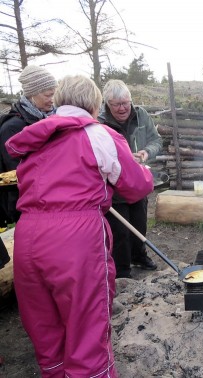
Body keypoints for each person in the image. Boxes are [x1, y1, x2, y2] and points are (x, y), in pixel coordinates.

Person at [6, 74, 154, 378]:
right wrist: (144, 171)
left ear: (59, 101)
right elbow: (136, 186)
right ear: (95, 103)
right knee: (87, 331)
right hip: (74, 240)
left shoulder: (35, 135)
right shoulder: (98, 134)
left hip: (27, 236)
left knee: (47, 332)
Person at [98, 79, 163, 278]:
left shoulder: (141, 115)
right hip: (115, 186)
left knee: (139, 225)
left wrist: (145, 153)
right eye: (116, 104)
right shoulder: (100, 122)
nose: (123, 108)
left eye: (126, 102)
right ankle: (123, 270)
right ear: (107, 104)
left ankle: (139, 256)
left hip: (138, 182)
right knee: (120, 231)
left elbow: (156, 140)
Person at [0, 65, 57, 224]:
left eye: (54, 94)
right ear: (32, 95)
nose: (52, 99)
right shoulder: (12, 127)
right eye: (48, 95)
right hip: (27, 204)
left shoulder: (50, 119)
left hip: (51, 199)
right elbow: (16, 173)